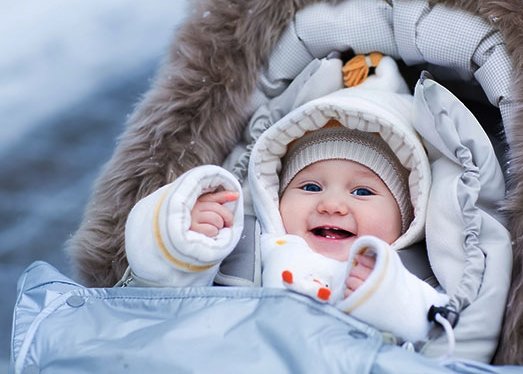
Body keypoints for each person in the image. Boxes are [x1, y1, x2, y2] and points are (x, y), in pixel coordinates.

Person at [124, 55, 449, 343]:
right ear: (273, 198)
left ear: (408, 217)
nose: (331, 205)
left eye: (362, 192)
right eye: (309, 187)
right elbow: (156, 299)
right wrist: (183, 239)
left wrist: (388, 298)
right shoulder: (243, 246)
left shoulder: (412, 277)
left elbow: (440, 336)